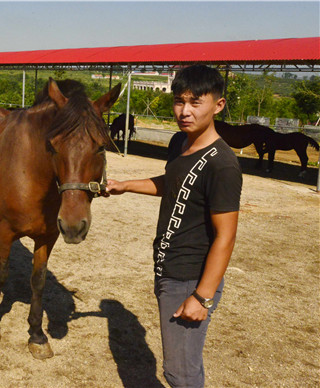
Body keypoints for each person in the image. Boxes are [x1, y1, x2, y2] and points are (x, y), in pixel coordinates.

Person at [105, 64, 242, 388]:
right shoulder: (181, 143)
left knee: (181, 373)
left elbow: (226, 236)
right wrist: (126, 185)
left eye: (196, 102)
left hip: (190, 279)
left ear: (218, 105)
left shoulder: (222, 165)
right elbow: (173, 183)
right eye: (180, 101)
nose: (185, 111)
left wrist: (202, 296)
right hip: (169, 271)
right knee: (179, 368)